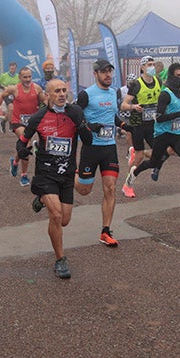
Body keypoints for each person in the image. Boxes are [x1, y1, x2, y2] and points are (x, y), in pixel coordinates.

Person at [16, 79, 92, 278]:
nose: (61, 94)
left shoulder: (74, 112)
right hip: (46, 174)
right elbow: (22, 140)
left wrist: (80, 123)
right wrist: (21, 151)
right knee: (56, 216)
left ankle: (41, 199)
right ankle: (60, 260)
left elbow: (89, 140)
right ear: (47, 95)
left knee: (64, 220)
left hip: (66, 174)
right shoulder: (39, 117)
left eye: (64, 90)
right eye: (56, 91)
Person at [123, 63, 180, 209]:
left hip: (176, 134)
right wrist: (179, 114)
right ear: (170, 76)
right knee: (154, 162)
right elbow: (159, 117)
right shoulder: (165, 94)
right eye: (177, 76)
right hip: (162, 134)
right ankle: (134, 172)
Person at [74, 59, 122, 247]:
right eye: (103, 72)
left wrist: (125, 125)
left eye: (109, 71)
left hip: (109, 147)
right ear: (95, 74)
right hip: (91, 147)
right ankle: (72, 175)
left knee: (110, 187)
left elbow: (113, 115)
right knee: (84, 191)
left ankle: (105, 231)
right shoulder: (86, 94)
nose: (108, 75)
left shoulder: (114, 92)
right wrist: (88, 126)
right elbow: (76, 116)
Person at [120, 56, 162, 198]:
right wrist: (134, 107)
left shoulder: (158, 81)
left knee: (161, 151)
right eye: (149, 65)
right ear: (142, 67)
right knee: (139, 156)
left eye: (153, 64)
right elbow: (123, 105)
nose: (152, 67)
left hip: (152, 124)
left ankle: (145, 159)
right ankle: (127, 185)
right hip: (138, 125)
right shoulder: (136, 84)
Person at [0, 66, 45, 187]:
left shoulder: (37, 88)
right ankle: (24, 175)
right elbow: (1, 95)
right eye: (25, 77)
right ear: (20, 78)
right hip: (17, 121)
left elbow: (45, 102)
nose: (27, 79)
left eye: (29, 76)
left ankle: (14, 162)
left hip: (32, 122)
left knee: (23, 146)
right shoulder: (14, 89)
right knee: (27, 144)